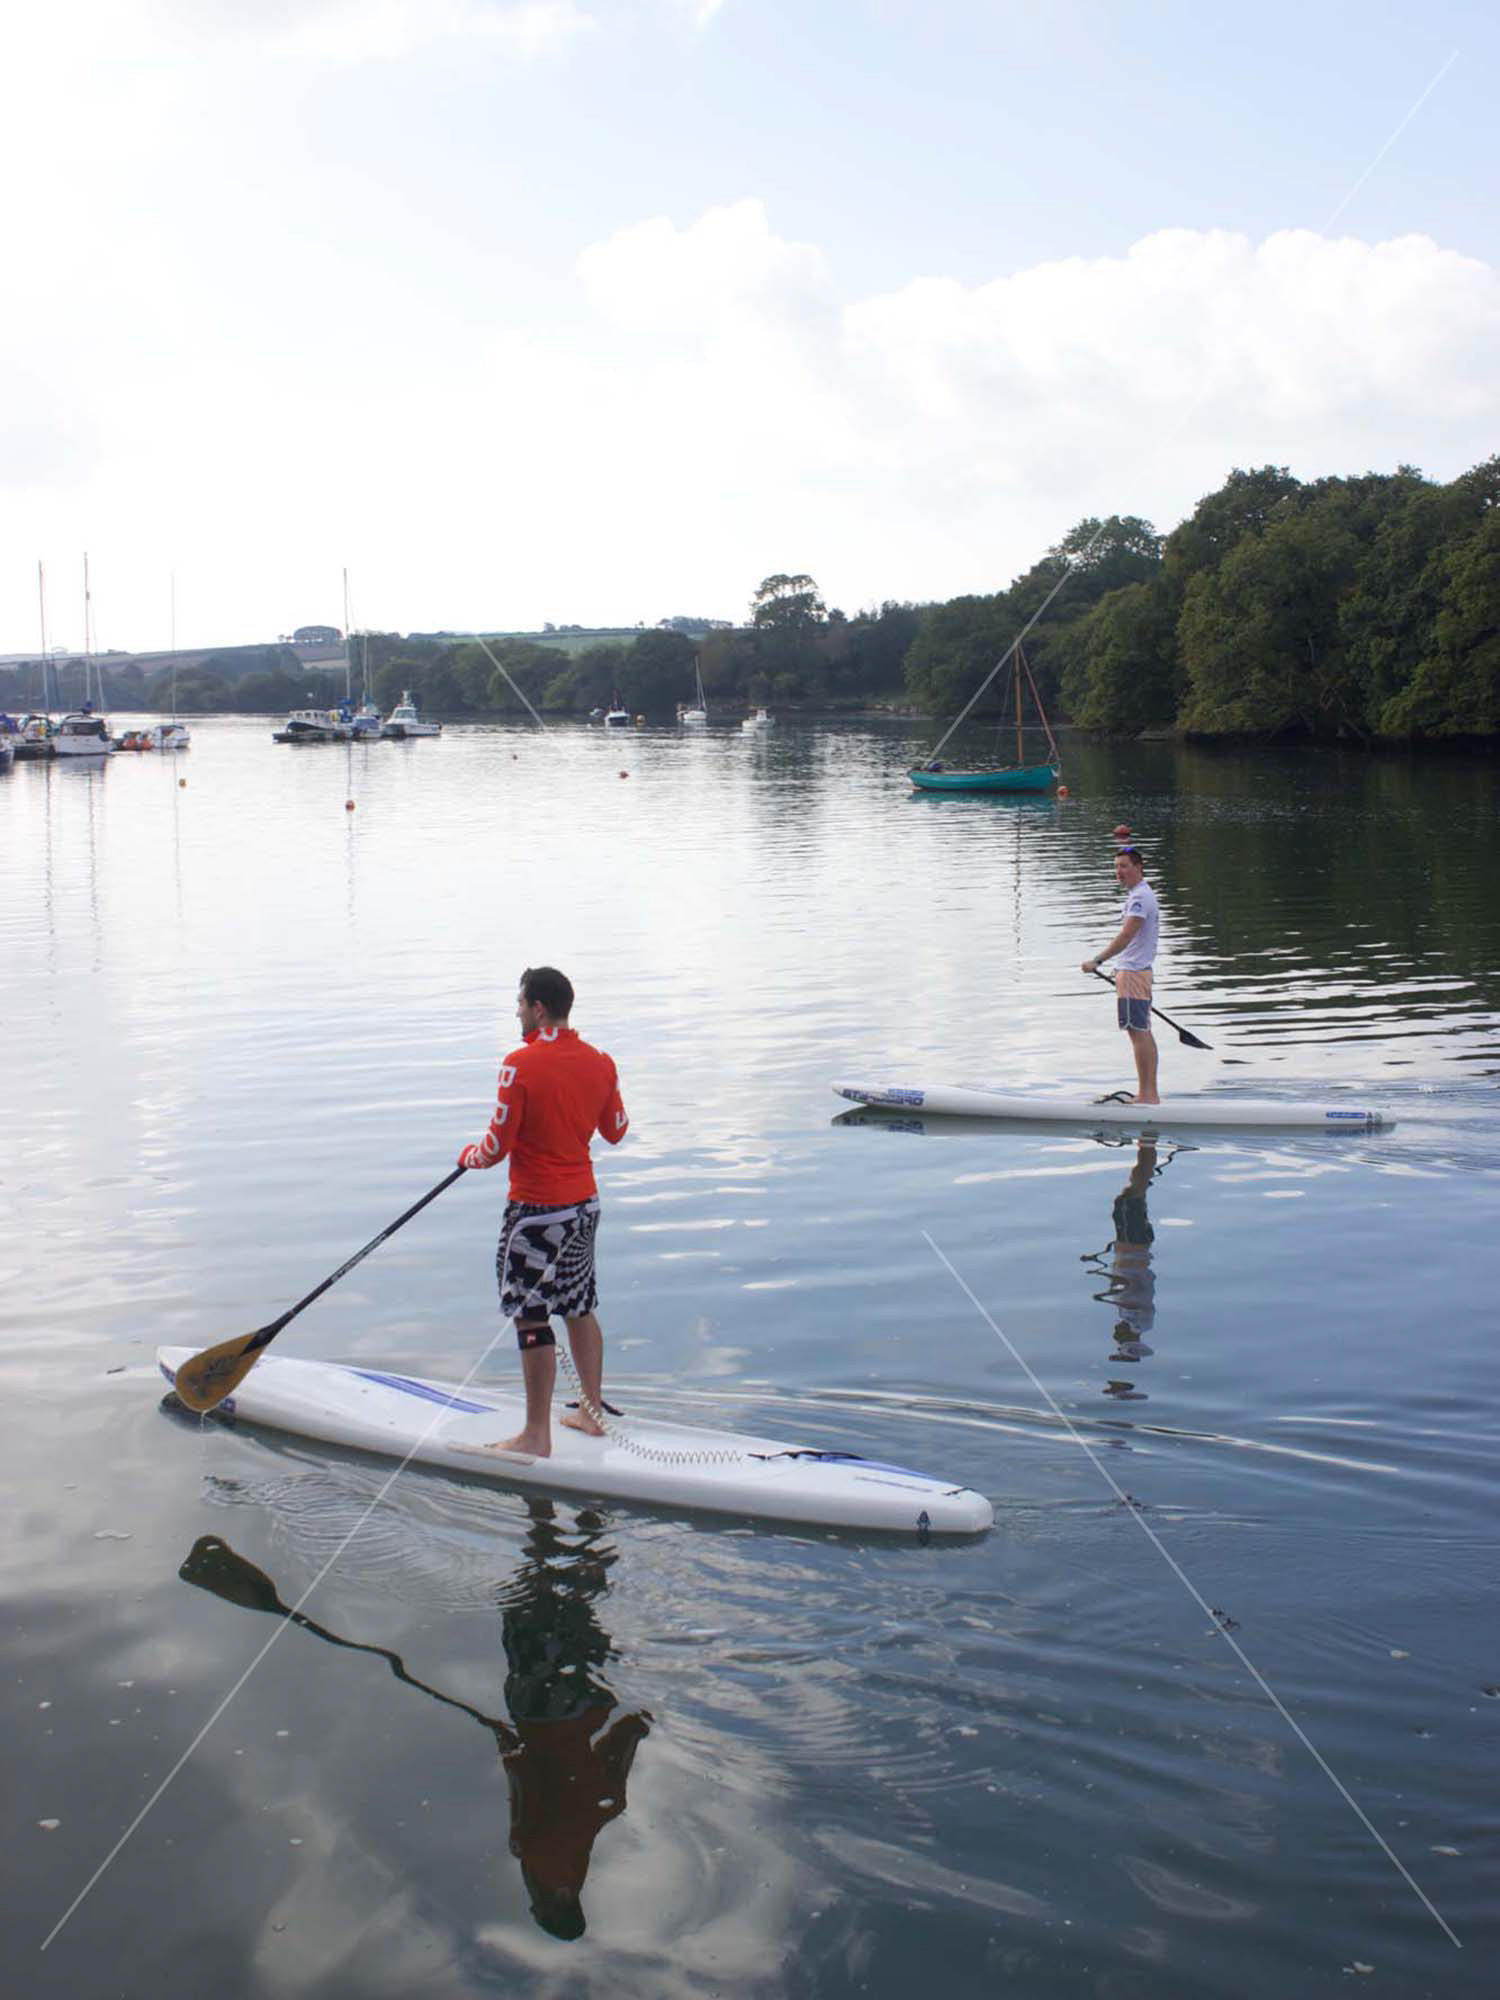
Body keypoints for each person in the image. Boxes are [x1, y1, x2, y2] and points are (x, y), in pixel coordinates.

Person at [459, 967, 629, 1456]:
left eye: (519, 1003)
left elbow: (494, 1147)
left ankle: (536, 1437)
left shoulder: (519, 1064)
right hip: (584, 1206)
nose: (516, 1011)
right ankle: (591, 1415)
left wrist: (467, 1156)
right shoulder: (601, 1062)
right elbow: (616, 1128)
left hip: (535, 1212)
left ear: (537, 1007)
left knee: (531, 1318)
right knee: (579, 1306)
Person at [1081, 846, 1161, 1104]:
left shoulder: (1139, 898)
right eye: (1116, 867)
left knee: (1138, 1032)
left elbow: (1126, 935)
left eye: (1125, 866)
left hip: (1134, 974)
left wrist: (1097, 960)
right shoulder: (1141, 894)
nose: (1119, 872)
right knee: (1141, 1031)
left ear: (1139, 868)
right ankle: (1148, 1094)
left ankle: (1148, 1097)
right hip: (1136, 973)